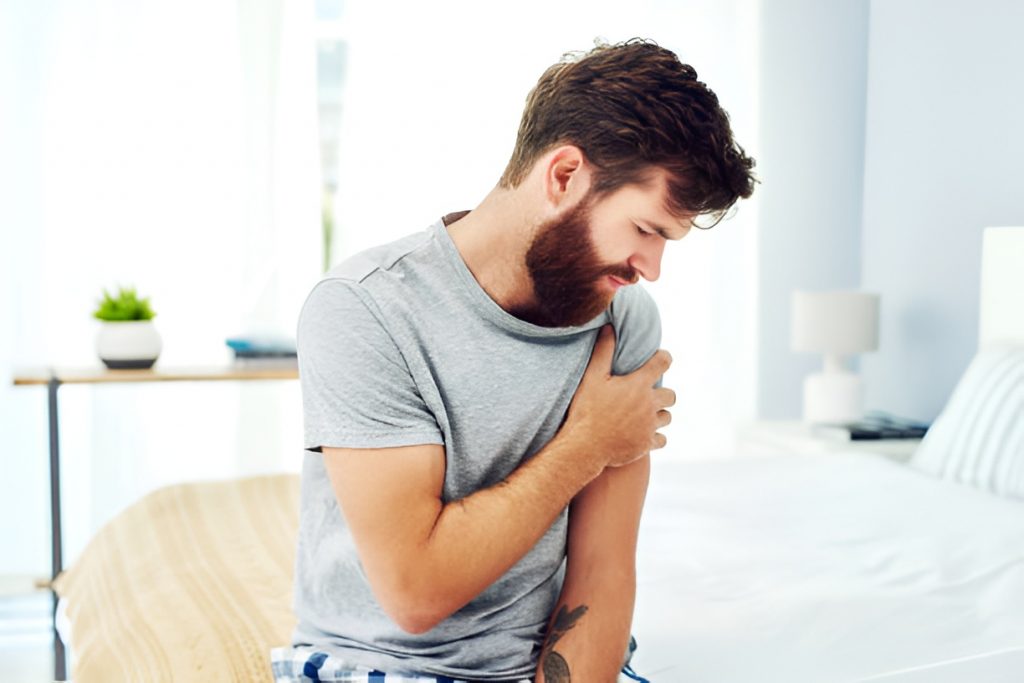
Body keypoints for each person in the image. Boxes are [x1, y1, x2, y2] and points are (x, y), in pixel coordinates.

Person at [274, 38, 756, 683]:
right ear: (563, 176)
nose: (653, 269)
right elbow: (415, 594)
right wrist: (590, 443)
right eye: (645, 230)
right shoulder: (365, 309)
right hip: (388, 665)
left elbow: (602, 573)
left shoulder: (623, 317)